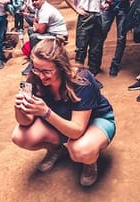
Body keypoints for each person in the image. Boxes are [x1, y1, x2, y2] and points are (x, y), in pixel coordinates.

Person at [11, 38, 116, 187]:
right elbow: (25, 122)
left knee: (80, 149)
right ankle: (56, 149)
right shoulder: (34, 77)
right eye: (36, 69)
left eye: (47, 71)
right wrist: (19, 107)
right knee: (20, 136)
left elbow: (77, 131)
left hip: (94, 121)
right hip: (61, 119)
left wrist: (46, 112)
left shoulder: (82, 80)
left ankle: (90, 163)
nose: (40, 76)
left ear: (61, 67)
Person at [63, 0, 103, 74]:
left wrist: (104, 5)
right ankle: (79, 73)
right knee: (81, 46)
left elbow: (98, 3)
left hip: (97, 17)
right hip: (86, 17)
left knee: (95, 47)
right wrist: (76, 9)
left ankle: (92, 74)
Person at [23, 0, 68, 75]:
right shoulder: (38, 9)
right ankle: (36, 54)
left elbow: (41, 29)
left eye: (37, 0)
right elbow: (35, 22)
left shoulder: (45, 10)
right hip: (49, 32)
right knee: (30, 30)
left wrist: (36, 26)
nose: (34, 2)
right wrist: (36, 26)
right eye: (33, 0)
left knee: (34, 37)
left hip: (59, 35)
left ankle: (33, 62)